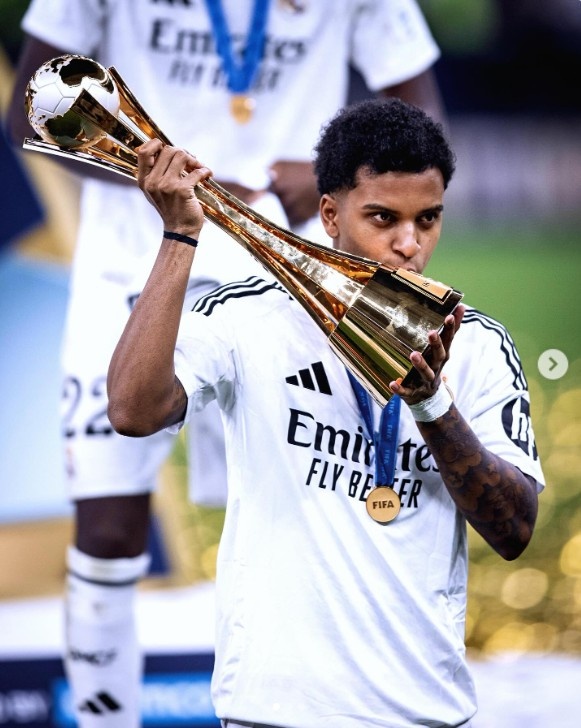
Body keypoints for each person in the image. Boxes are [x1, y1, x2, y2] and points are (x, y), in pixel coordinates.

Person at [7, 1, 446, 725]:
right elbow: (31, 115)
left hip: (291, 275)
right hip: (132, 267)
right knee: (109, 533)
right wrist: (155, 179)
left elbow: (421, 113)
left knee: (315, 514)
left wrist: (334, 175)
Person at [107, 97, 544, 728]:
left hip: (421, 712)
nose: (408, 245)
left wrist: (431, 403)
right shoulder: (247, 316)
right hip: (272, 712)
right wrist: (180, 236)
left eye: (428, 219)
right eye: (383, 218)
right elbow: (132, 409)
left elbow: (514, 531)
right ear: (331, 215)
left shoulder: (476, 344)